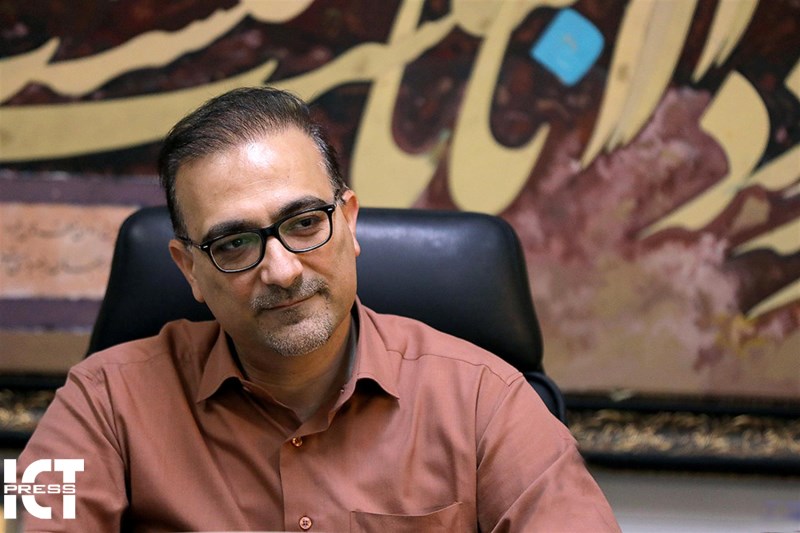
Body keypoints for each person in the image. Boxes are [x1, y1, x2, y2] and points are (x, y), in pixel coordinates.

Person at [16, 87, 620, 532]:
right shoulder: (95, 400)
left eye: (305, 223)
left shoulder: (490, 397)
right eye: (234, 243)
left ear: (349, 221)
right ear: (189, 269)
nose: (281, 271)